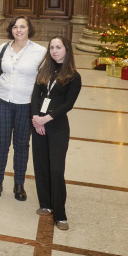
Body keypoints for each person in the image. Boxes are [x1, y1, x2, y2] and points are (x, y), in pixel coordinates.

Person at [0, 16, 46, 201]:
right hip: (2, 100)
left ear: (29, 29)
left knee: (21, 145)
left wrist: (41, 110)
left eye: (22, 26)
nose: (18, 30)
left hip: (26, 105)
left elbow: (44, 83)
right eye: (15, 27)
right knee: (1, 143)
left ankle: (19, 183)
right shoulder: (4, 48)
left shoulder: (40, 51)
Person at [30, 36, 81, 231]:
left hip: (57, 125)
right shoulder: (44, 71)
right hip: (39, 124)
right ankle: (46, 203)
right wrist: (36, 118)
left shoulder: (73, 76)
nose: (54, 51)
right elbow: (35, 95)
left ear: (66, 50)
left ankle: (60, 214)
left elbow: (68, 104)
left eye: (58, 47)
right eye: (51, 47)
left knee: (57, 169)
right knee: (41, 165)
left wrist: (46, 118)